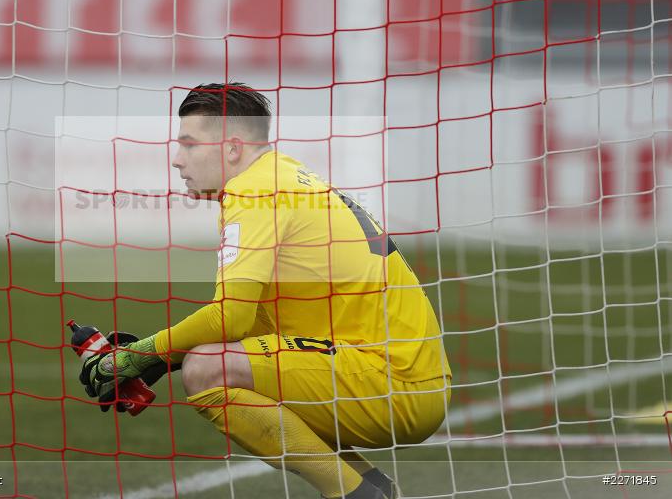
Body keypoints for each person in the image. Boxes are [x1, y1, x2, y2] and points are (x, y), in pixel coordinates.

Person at [78, 83, 452, 499]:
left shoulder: (253, 191)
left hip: (389, 382)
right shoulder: (282, 175)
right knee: (231, 357)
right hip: (401, 376)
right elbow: (249, 325)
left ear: (233, 147)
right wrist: (161, 361)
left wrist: (140, 355)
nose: (177, 160)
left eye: (189, 144)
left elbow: (229, 317)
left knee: (207, 369)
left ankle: (359, 495)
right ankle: (372, 488)